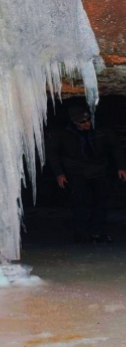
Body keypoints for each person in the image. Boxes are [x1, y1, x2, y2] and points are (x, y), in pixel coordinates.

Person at [47, 102, 126, 243]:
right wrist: (59, 174)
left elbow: (116, 147)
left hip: (100, 169)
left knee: (101, 201)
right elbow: (53, 154)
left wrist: (121, 167)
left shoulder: (101, 129)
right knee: (81, 201)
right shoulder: (63, 133)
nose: (86, 124)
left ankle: (97, 232)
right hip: (76, 171)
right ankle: (80, 232)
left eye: (88, 120)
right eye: (82, 122)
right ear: (74, 122)